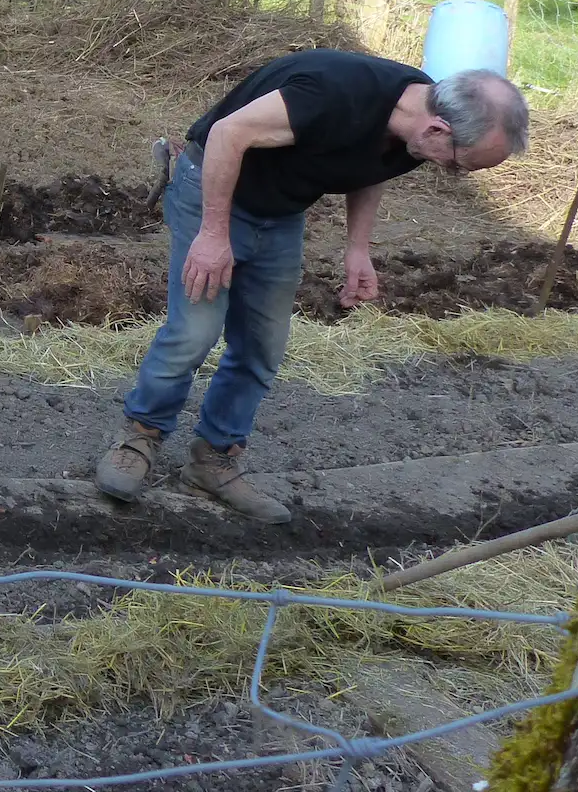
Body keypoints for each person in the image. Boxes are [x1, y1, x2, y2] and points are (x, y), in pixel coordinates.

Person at [95, 52, 529, 523]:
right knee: (194, 332)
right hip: (213, 192)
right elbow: (227, 134)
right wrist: (214, 234)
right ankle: (139, 437)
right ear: (438, 129)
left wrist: (357, 248)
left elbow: (373, 167)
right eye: (459, 165)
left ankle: (213, 460)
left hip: (280, 213)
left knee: (262, 345)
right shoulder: (330, 94)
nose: (452, 173)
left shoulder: (416, 126)